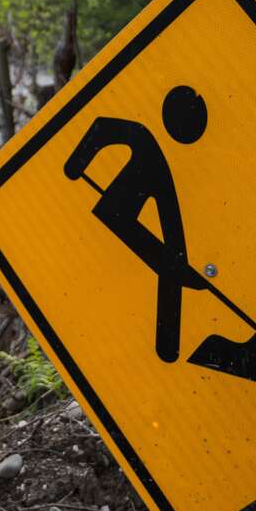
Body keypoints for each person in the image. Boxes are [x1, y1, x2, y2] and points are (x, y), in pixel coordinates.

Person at [62, 85, 211, 363]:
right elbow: (101, 128)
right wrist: (75, 166)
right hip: (115, 207)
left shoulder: (166, 161)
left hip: (122, 209)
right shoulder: (143, 137)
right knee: (170, 260)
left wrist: (178, 262)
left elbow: (172, 225)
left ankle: (168, 346)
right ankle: (168, 340)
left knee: (172, 259)